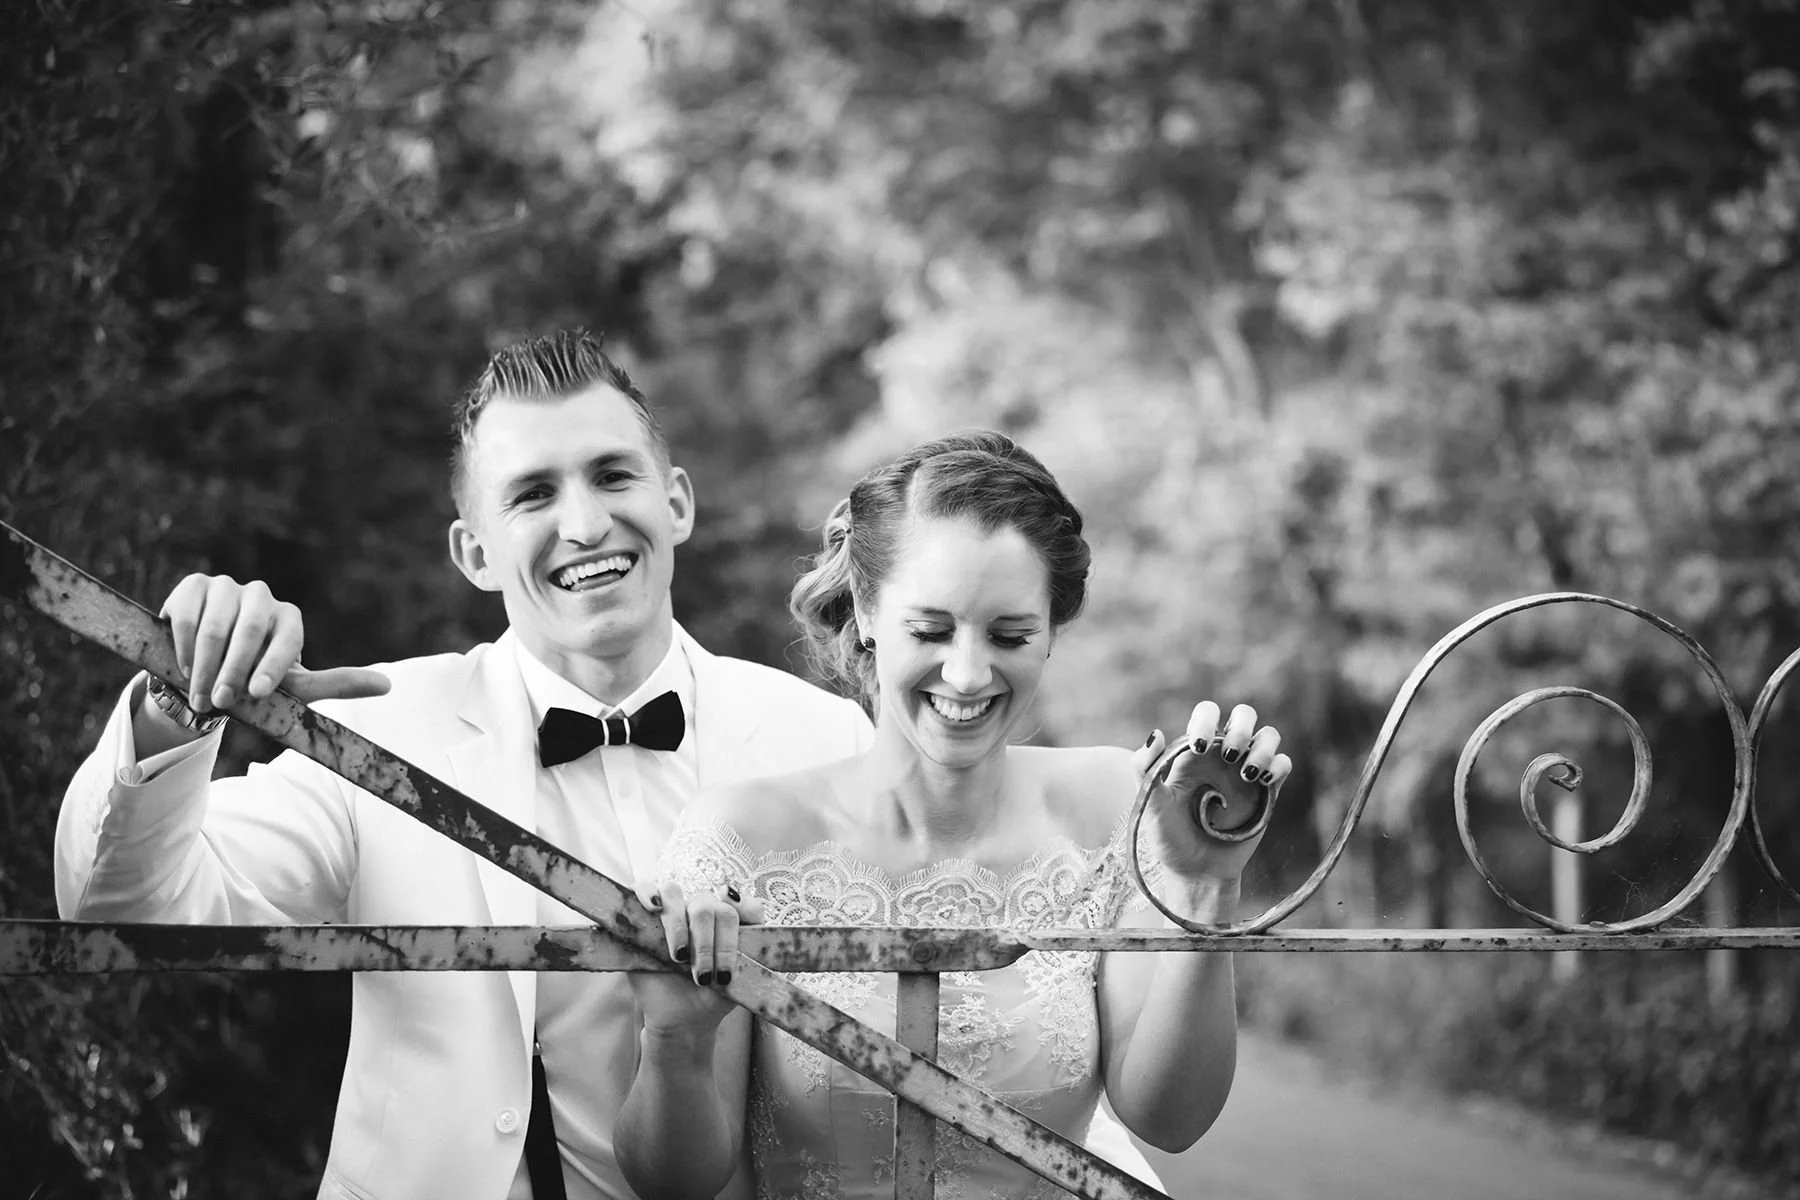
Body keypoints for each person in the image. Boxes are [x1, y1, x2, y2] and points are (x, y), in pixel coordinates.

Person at [53, 330, 876, 1200]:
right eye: (531, 495)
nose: (586, 523)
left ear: (676, 502)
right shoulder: (384, 734)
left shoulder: (823, 741)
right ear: (474, 552)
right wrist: (177, 704)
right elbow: (119, 908)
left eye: (612, 474)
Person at [616, 431, 1293, 1200]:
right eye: (931, 630)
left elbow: (1168, 1119)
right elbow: (671, 1184)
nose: (968, 675)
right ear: (867, 612)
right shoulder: (736, 838)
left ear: (1052, 632)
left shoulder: (1118, 806)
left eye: (1010, 635)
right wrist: (675, 1041)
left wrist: (1204, 897)